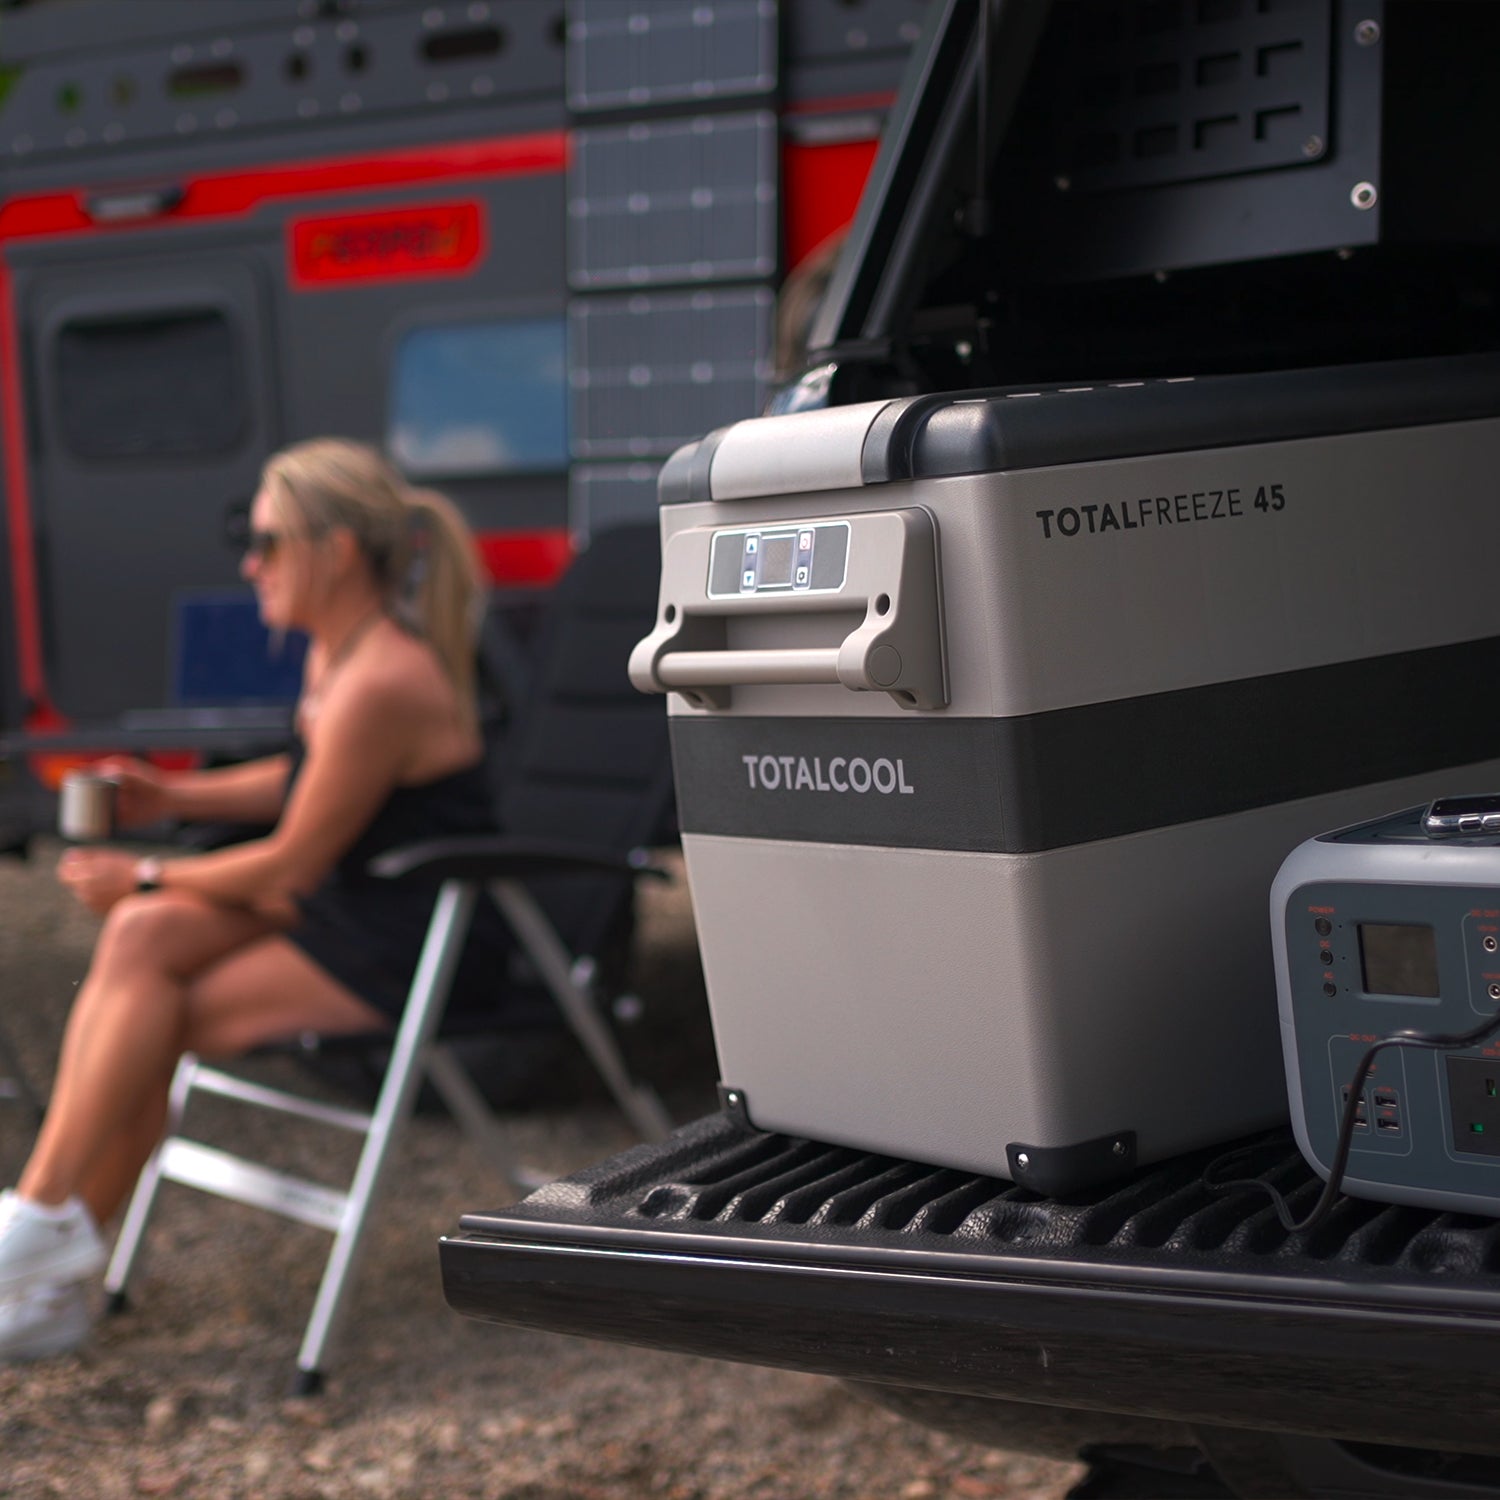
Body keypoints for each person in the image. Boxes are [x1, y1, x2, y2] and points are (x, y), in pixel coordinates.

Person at [0, 438, 513, 1360]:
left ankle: (45, 1233)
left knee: (152, 967)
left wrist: (143, 872)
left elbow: (288, 866)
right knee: (145, 943)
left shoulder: (381, 679)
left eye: (268, 541)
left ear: (335, 550)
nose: (250, 564)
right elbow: (311, 780)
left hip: (406, 936)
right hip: (346, 903)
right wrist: (173, 798)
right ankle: (50, 1239)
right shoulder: (339, 656)